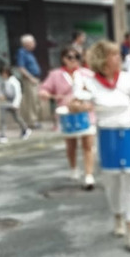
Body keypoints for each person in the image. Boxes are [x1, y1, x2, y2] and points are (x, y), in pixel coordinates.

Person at [80, 40, 130, 251]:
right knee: (112, 183)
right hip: (107, 134)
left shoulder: (128, 78)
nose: (119, 58)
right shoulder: (90, 82)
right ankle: (118, 216)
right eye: (114, 55)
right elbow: (76, 102)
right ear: (103, 60)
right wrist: (79, 105)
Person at [38, 47, 94, 187]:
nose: (73, 60)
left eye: (77, 57)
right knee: (71, 145)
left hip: (86, 113)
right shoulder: (55, 74)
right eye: (70, 57)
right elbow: (44, 89)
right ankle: (73, 168)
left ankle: (89, 175)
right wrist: (46, 94)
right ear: (63, 59)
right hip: (67, 114)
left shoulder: (86, 74)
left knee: (88, 145)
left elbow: (96, 90)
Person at [0, 61, 32, 145]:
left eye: (5, 73)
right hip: (4, 102)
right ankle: (2, 135)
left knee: (17, 117)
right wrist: (0, 96)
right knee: (2, 119)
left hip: (13, 102)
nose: (4, 75)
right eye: (2, 73)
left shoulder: (14, 81)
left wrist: (16, 104)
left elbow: (18, 93)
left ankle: (25, 129)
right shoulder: (1, 81)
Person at [15, 34, 43, 129]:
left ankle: (35, 120)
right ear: (27, 43)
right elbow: (21, 67)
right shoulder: (22, 52)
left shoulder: (30, 53)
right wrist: (30, 78)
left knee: (36, 100)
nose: (34, 44)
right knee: (31, 101)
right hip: (29, 80)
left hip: (36, 79)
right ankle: (31, 122)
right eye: (32, 42)